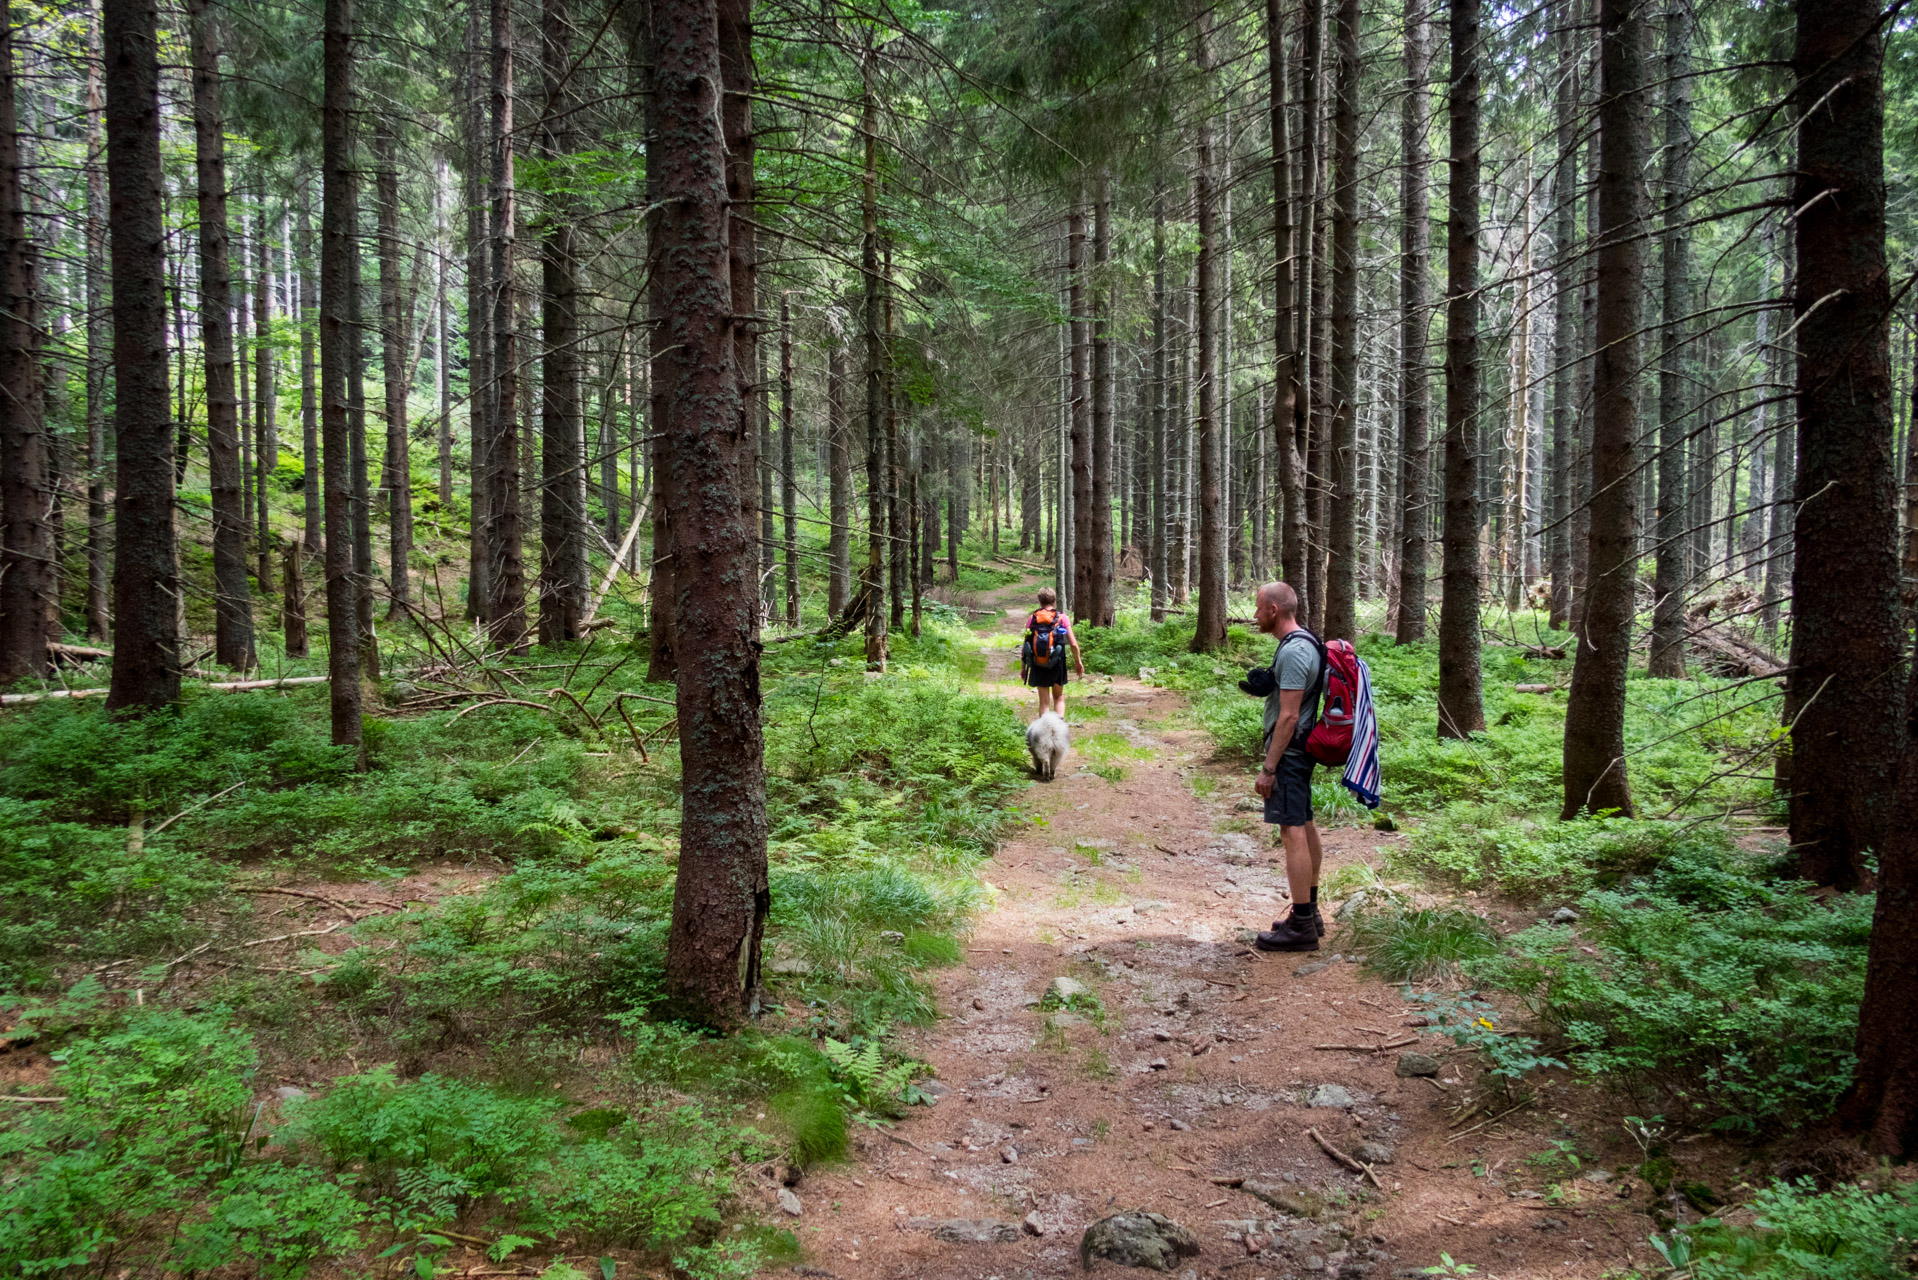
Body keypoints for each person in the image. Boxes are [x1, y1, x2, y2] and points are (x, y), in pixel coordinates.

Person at [1250, 582, 1326, 952]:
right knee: (1306, 822)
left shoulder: (1295, 651)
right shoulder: (1304, 643)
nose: (1254, 614)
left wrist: (1269, 767)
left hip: (1291, 755)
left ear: (1274, 611)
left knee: (1291, 831)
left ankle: (1300, 926)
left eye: (1258, 608)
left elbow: (1290, 715)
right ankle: (1309, 912)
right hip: (1299, 752)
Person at [1021, 587, 1085, 718]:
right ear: (1054, 601)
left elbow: (1026, 644)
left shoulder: (1033, 618)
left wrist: (1024, 668)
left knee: (1044, 703)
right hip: (1057, 662)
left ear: (1040, 601)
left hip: (1038, 662)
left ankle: (1045, 733)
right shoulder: (1061, 617)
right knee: (1058, 697)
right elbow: (1073, 643)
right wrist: (1078, 661)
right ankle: (1058, 730)